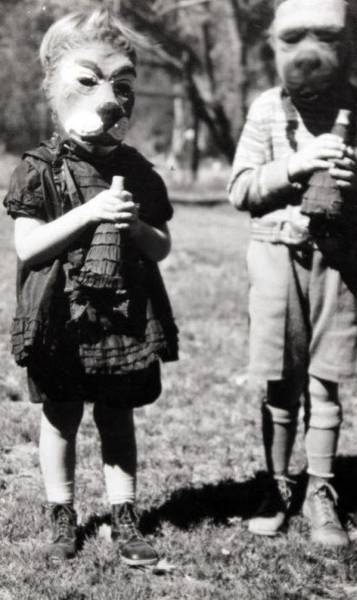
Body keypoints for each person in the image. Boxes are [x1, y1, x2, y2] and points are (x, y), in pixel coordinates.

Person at [4, 9, 178, 566]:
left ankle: (125, 517)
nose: (109, 100)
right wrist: (90, 212)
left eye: (123, 85)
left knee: (117, 415)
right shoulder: (39, 169)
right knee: (60, 416)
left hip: (123, 315)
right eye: (88, 80)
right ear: (53, 88)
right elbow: (29, 248)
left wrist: (135, 225)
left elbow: (161, 247)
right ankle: (63, 517)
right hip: (61, 315)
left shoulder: (139, 171)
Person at [228, 0, 357, 546]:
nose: (308, 55)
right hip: (276, 257)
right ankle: (278, 486)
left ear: (355, 41)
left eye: (326, 38)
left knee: (326, 381)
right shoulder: (266, 109)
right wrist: (294, 166)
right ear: (273, 43)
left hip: (340, 263)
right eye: (293, 39)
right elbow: (240, 188)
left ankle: (320, 491)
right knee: (280, 383)